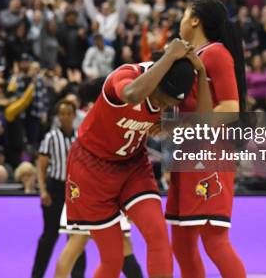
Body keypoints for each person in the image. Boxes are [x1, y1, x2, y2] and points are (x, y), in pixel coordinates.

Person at [65, 39, 211, 278]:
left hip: (133, 164)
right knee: (112, 261)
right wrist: (168, 57)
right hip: (92, 167)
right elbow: (132, 96)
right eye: (161, 99)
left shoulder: (173, 87)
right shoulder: (125, 76)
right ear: (157, 74)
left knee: (159, 237)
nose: (162, 106)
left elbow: (204, 122)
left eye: (169, 104)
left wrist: (201, 71)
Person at [166, 0, 247, 278]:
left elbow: (229, 108)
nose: (180, 19)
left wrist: (190, 129)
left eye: (184, 13)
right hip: (187, 154)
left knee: (214, 241)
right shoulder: (186, 56)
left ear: (195, 20)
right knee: (181, 243)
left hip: (210, 153)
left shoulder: (216, 53)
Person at [31, 99, 86, 278]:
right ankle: (37, 275)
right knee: (49, 236)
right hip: (55, 188)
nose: (65, 117)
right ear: (58, 116)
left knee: (76, 236)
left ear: (74, 115)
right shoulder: (51, 137)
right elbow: (41, 166)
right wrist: (43, 190)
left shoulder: (82, 136)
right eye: (62, 113)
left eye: (68, 113)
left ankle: (78, 275)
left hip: (76, 191)